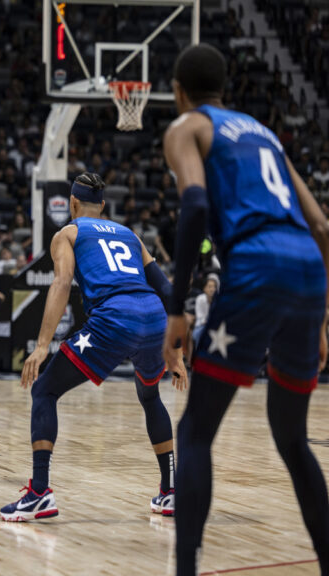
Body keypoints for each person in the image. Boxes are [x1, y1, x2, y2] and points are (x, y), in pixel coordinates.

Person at [162, 43, 329, 576]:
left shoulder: (188, 126)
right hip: (307, 267)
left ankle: (184, 569)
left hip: (257, 265)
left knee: (195, 433)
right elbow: (323, 226)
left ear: (178, 90)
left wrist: (177, 307)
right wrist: (322, 317)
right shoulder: (264, 133)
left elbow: (194, 206)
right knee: (291, 437)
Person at [0, 172, 187, 522]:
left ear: (72, 204)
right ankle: (171, 491)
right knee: (150, 397)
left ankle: (39, 492)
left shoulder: (67, 233)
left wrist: (42, 346)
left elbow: (61, 282)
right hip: (154, 320)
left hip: (115, 318)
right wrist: (175, 349)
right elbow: (166, 287)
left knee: (44, 391)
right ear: (102, 207)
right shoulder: (130, 235)